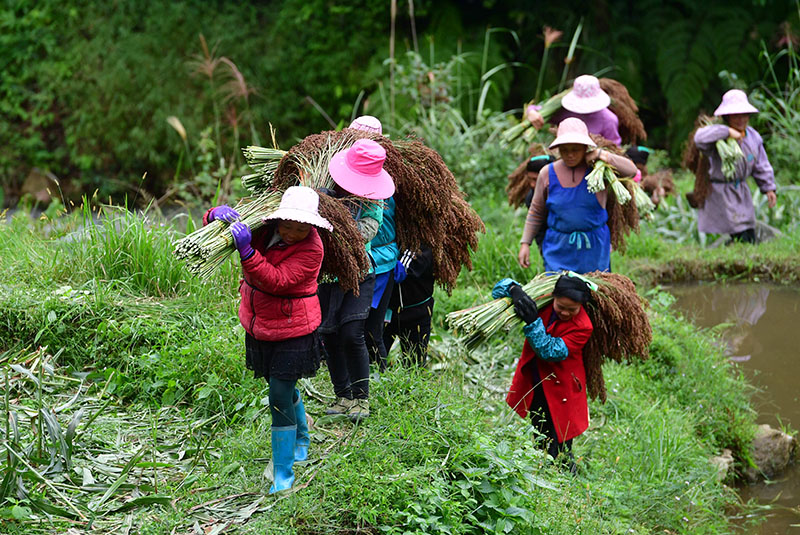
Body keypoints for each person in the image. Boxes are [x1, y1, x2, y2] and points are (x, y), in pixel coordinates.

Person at [204, 186, 332, 494]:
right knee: (281, 388)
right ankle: (302, 437)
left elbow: (277, 279)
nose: (291, 233)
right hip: (260, 325)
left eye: (300, 229)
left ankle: (283, 473)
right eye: (287, 225)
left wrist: (247, 252)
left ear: (311, 226)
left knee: (277, 396)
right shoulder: (262, 228)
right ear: (277, 219)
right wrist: (214, 216)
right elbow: (216, 232)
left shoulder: (313, 249)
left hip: (294, 329)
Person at [319, 138, 394, 422]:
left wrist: (334, 220)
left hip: (359, 272)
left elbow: (367, 231)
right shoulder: (328, 186)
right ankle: (343, 395)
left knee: (352, 333)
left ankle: (361, 399)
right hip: (327, 272)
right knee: (329, 333)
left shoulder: (375, 199)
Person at [494, 273, 594, 471]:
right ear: (553, 297)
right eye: (561, 307)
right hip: (537, 377)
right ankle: (543, 466)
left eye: (571, 310)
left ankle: (563, 469)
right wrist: (515, 291)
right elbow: (497, 289)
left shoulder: (583, 326)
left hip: (562, 384)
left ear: (581, 306)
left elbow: (550, 351)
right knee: (540, 423)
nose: (565, 313)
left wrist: (532, 322)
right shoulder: (542, 300)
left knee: (562, 432)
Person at [517, 118, 637, 273]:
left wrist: (602, 155)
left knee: (594, 292)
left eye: (575, 150)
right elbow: (536, 211)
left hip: (594, 247)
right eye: (565, 150)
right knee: (560, 293)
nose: (570, 155)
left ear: (585, 147)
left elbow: (632, 171)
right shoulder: (547, 173)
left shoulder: (598, 171)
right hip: (559, 247)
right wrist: (525, 243)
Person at [347, 116, 400, 373]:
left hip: (381, 260)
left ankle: (379, 377)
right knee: (354, 325)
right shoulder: (345, 171)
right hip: (359, 259)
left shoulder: (384, 178)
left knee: (370, 328)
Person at [693, 89, 777, 244]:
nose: (740, 119)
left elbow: (761, 165)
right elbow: (699, 138)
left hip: (742, 192)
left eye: (744, 115)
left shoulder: (753, 137)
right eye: (735, 115)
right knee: (735, 235)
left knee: (748, 233)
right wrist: (727, 132)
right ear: (727, 117)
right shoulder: (717, 136)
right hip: (720, 194)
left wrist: (769, 188)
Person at [527, 75, 622, 145]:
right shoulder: (564, 111)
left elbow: (613, 147)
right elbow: (534, 109)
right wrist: (531, 112)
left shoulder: (608, 120)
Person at [383, 246, 434, 367]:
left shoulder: (424, 242)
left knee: (414, 365)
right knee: (372, 361)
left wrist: (381, 259)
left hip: (417, 314)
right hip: (385, 312)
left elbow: (402, 269)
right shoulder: (390, 233)